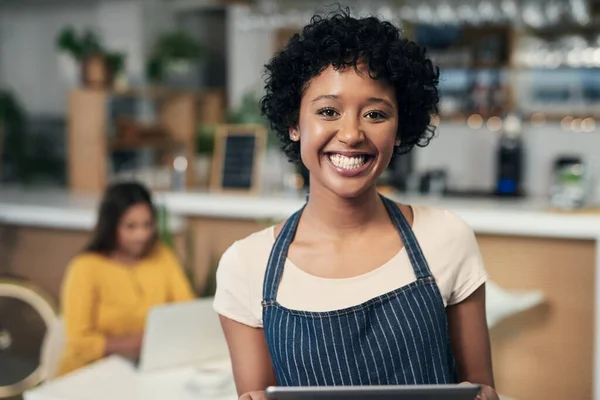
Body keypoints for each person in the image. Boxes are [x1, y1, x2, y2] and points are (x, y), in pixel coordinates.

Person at [213, 9, 498, 400]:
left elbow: (481, 391)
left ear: (400, 129)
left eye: (376, 114)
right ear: (294, 124)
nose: (350, 134)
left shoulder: (446, 238)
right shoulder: (246, 266)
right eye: (328, 111)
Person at [57, 181, 194, 376]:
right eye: (131, 226)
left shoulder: (161, 255)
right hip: (87, 374)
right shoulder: (85, 267)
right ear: (111, 226)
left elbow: (186, 309)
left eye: (148, 225)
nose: (142, 235)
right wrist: (143, 342)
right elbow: (80, 341)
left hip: (145, 368)